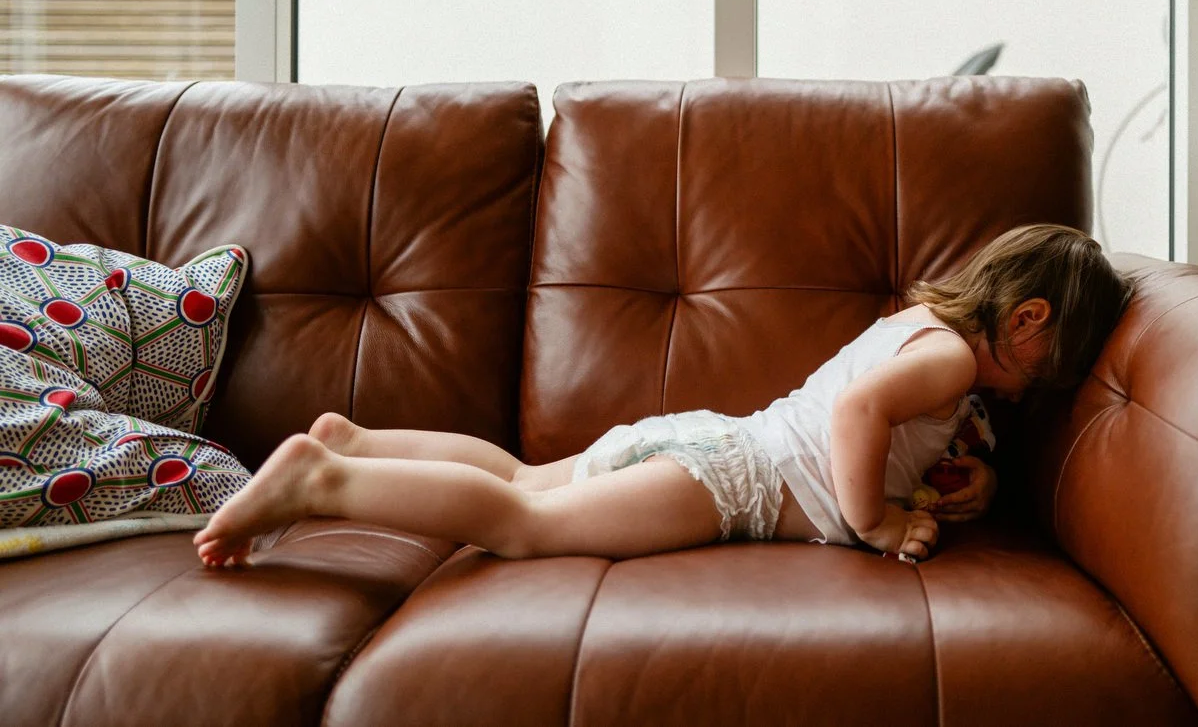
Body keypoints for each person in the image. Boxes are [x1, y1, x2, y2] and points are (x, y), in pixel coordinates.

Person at [193, 223, 1130, 567]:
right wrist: (876, 522)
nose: (1026, 395)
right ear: (1027, 319)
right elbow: (856, 416)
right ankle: (323, 481)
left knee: (529, 478)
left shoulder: (926, 336)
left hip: (710, 444)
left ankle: (359, 441)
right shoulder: (956, 362)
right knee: (524, 525)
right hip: (734, 481)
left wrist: (974, 486)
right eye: (1044, 372)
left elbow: (906, 428)